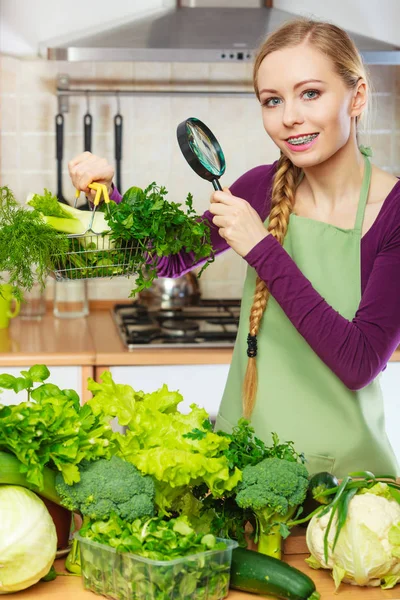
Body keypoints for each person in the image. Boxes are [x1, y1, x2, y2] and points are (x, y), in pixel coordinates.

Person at [68, 18, 400, 478]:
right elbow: (167, 258)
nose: (289, 118)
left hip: (345, 488)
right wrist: (107, 194)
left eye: (310, 94)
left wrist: (262, 248)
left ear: (357, 96)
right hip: (245, 464)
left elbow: (359, 362)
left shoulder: (395, 212)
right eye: (272, 101)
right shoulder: (260, 187)